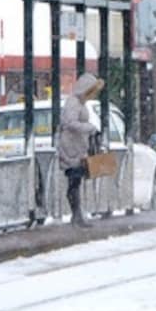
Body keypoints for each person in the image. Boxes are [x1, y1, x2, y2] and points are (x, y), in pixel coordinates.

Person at [57, 72, 104, 227]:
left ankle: (77, 214)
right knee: (74, 181)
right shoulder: (74, 103)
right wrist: (89, 128)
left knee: (76, 181)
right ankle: (77, 215)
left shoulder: (79, 103)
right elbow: (70, 123)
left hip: (77, 147)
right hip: (70, 149)